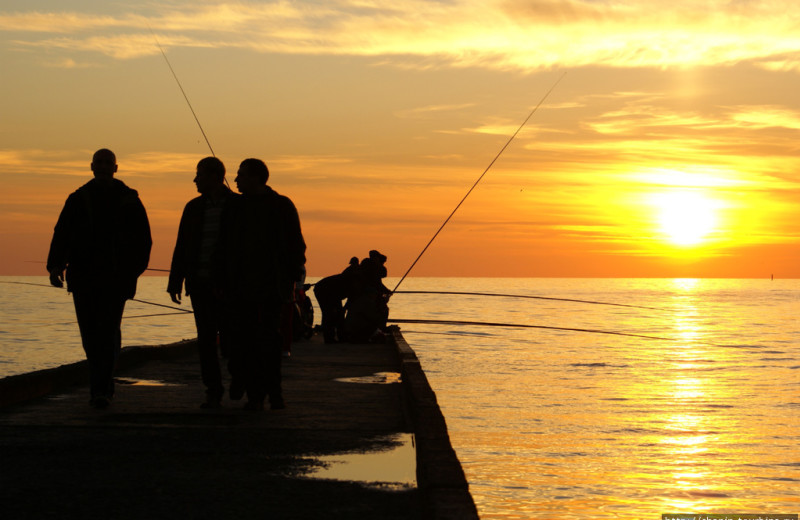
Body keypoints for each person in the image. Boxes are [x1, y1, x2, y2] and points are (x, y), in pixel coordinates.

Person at [47, 149, 152, 409]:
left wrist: (131, 273)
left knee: (107, 333)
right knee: (90, 336)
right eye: (100, 163)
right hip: (83, 278)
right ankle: (101, 387)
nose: (104, 167)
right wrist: (55, 266)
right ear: (92, 167)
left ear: (116, 168)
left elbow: (144, 241)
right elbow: (62, 233)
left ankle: (101, 390)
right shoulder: (78, 198)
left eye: (108, 163)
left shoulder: (129, 199)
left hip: (116, 280)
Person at [219, 158, 306, 411]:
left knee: (268, 342)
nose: (235, 180)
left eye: (241, 175)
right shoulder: (234, 207)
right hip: (239, 286)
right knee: (239, 341)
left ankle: (269, 394)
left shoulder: (281, 205)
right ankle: (246, 385)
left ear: (256, 178)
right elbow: (224, 246)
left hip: (271, 287)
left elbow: (296, 245)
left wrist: (289, 276)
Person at [167, 157, 238, 409]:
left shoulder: (237, 206)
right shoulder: (193, 208)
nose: (195, 179)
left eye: (199, 174)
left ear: (214, 176)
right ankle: (213, 390)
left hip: (231, 287)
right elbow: (182, 246)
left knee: (232, 338)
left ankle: (238, 378)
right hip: (199, 283)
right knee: (206, 339)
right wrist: (175, 281)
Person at [344, 250, 391, 343]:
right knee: (381, 310)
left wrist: (385, 290)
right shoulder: (372, 267)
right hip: (364, 293)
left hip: (358, 293)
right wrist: (386, 291)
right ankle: (379, 329)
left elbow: (378, 282)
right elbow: (376, 283)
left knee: (352, 310)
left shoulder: (366, 265)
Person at [313, 256, 359, 344]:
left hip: (332, 292)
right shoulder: (349, 277)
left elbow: (349, 298)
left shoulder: (351, 275)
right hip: (324, 290)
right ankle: (329, 338)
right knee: (329, 314)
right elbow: (343, 296)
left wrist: (343, 309)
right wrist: (342, 309)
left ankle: (340, 337)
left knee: (338, 313)